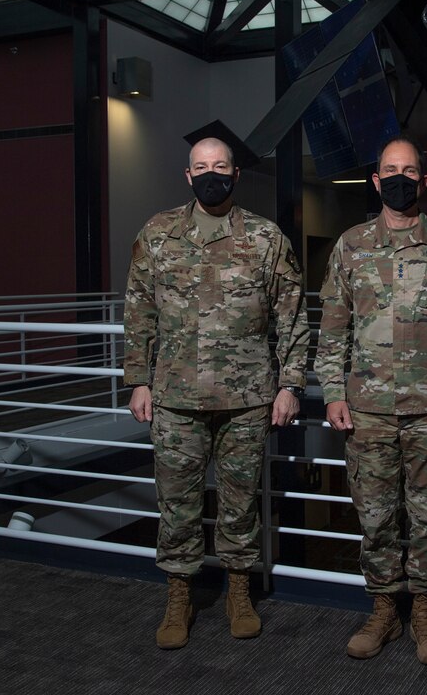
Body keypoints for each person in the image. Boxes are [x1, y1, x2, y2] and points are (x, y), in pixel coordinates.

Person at [124, 136, 310, 650]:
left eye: (220, 166)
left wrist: (291, 384)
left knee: (240, 504)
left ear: (235, 174)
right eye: (201, 167)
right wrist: (138, 378)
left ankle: (238, 591)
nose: (211, 174)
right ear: (188, 176)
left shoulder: (266, 238)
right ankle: (179, 596)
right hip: (175, 397)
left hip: (247, 398)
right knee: (177, 504)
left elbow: (291, 318)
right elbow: (138, 310)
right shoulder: (158, 234)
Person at [314, 134, 427, 665]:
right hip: (365, 409)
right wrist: (330, 391)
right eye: (390, 169)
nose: (399, 178)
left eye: (409, 170)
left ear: (423, 180)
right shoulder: (350, 245)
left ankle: (425, 611)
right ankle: (384, 608)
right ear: (375, 180)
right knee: (374, 516)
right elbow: (332, 329)